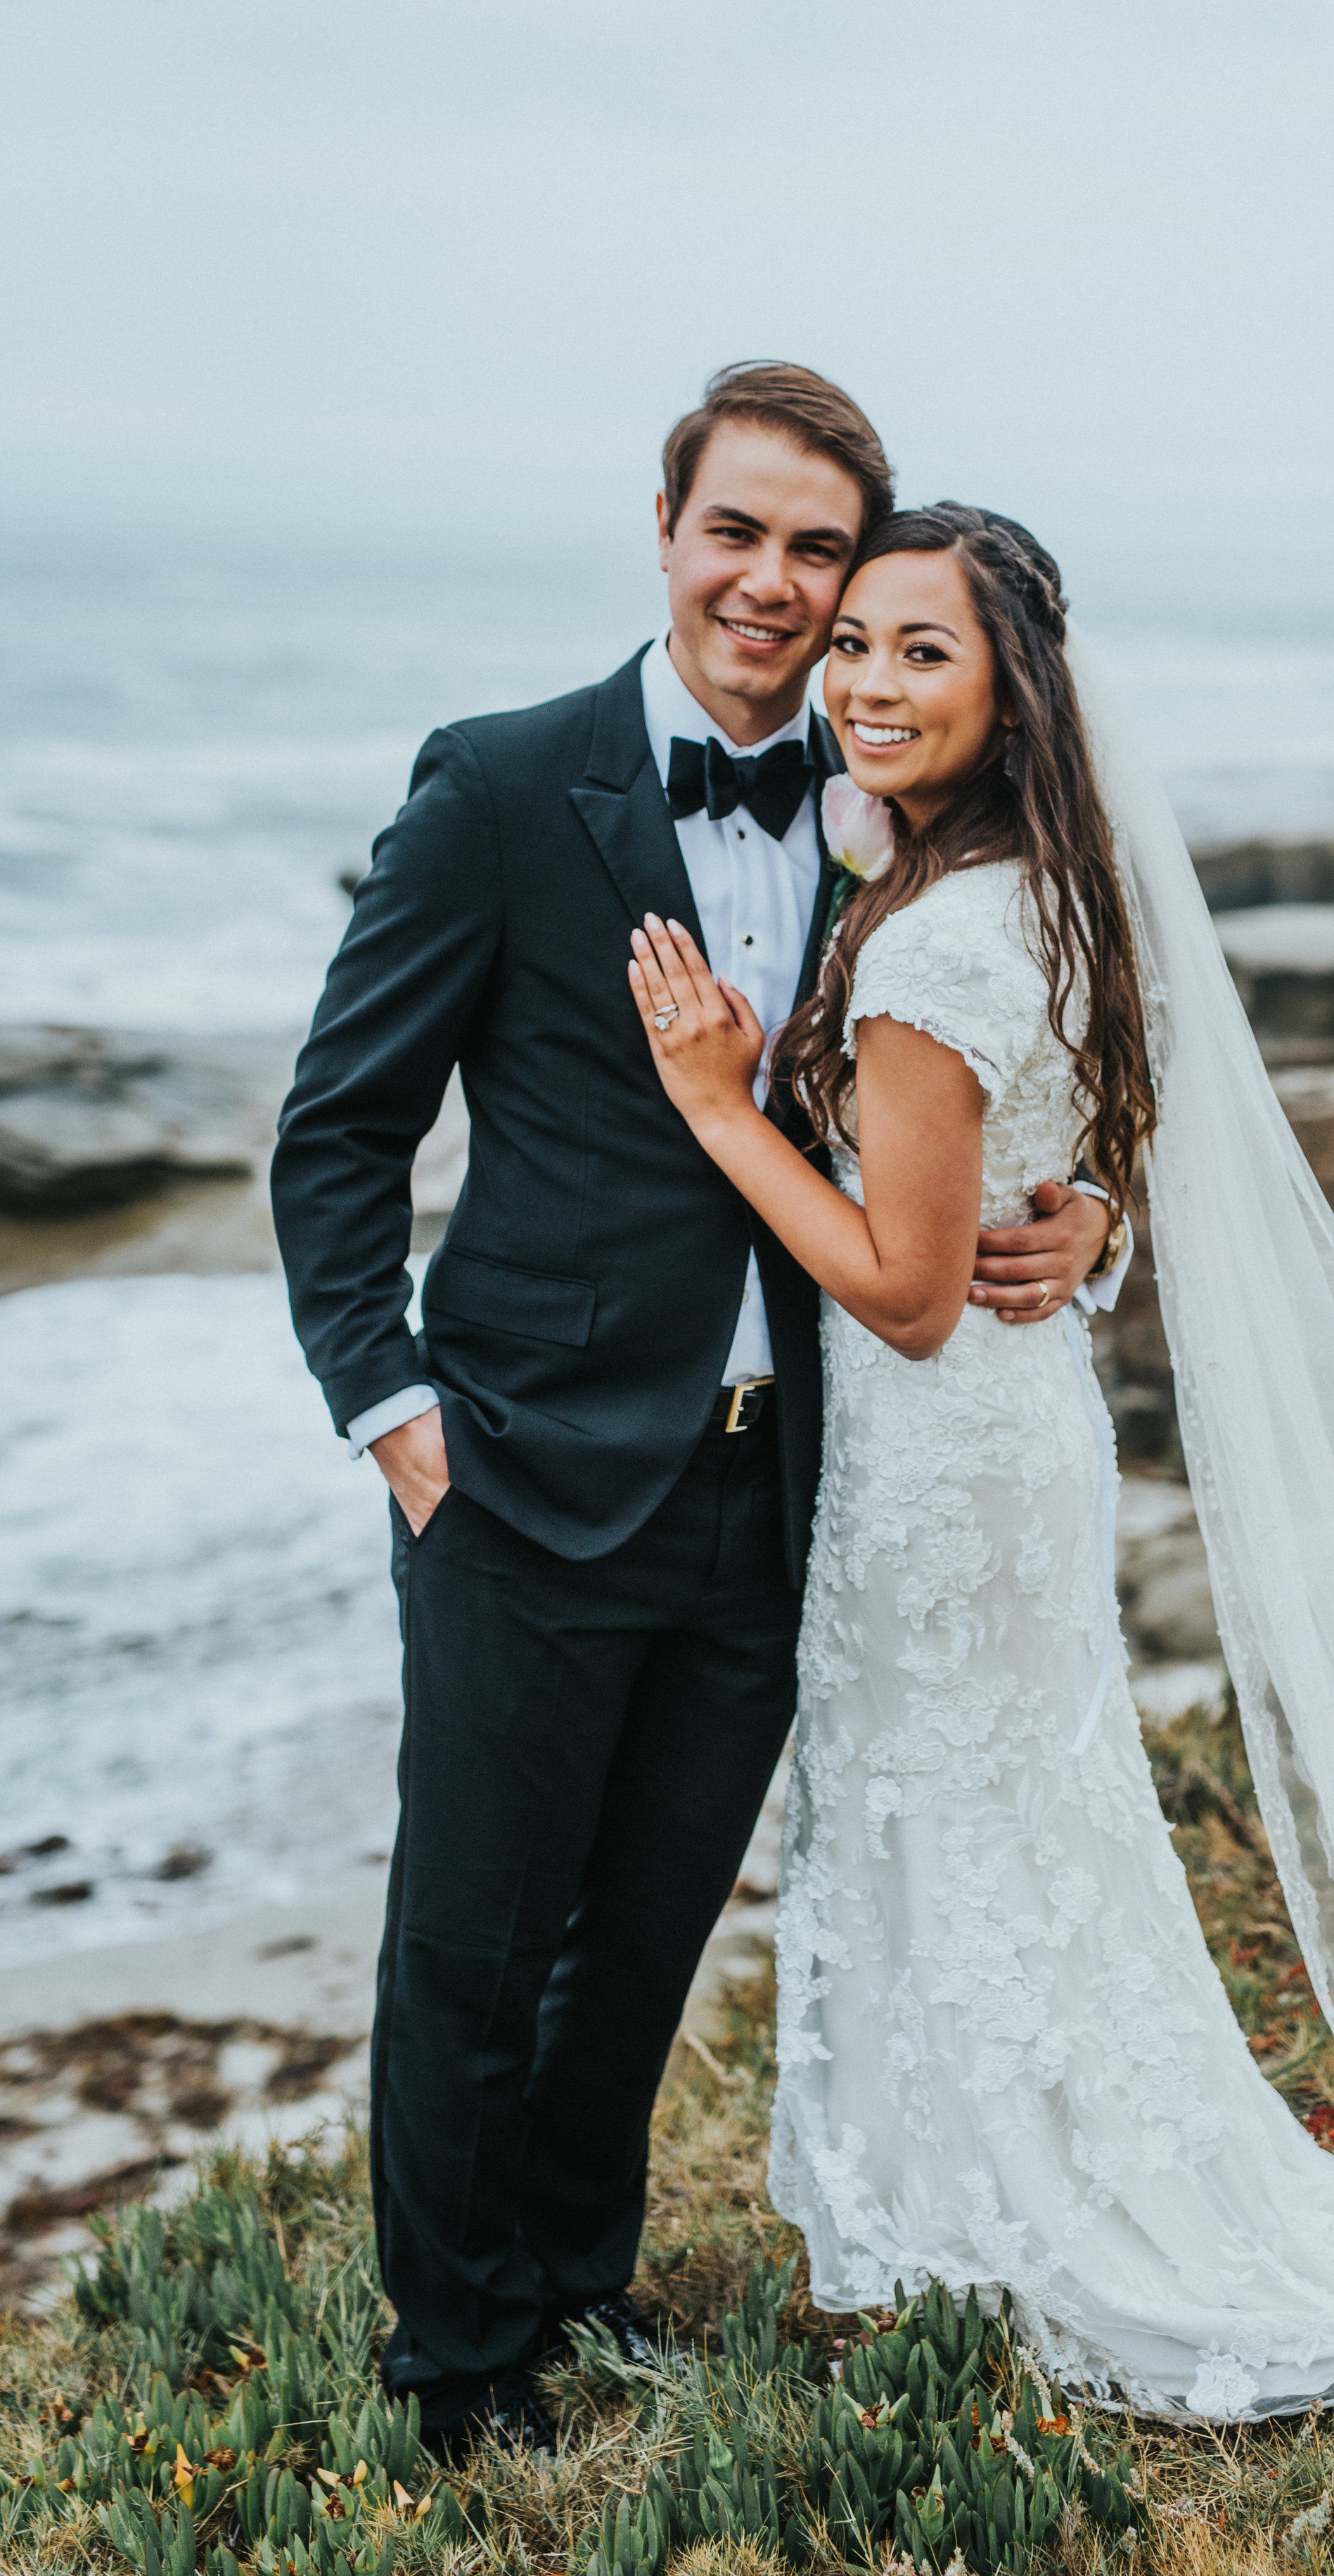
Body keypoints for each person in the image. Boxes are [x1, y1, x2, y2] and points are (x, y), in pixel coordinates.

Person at [631, 501, 1334, 2468]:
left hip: (935, 1447)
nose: (870, 687)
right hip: (1016, 1429)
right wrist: (1075, 1219)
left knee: (945, 1815)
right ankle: (995, 2191)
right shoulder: (1039, 889)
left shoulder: (939, 942)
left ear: (1010, 692)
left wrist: (725, 1108)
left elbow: (897, 1294)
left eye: (922, 654)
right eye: (856, 648)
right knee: (1016, 1824)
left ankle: (993, 2217)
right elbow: (1062, 1164)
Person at [269, 371, 1122, 2459]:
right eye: (734, 531)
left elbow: (1017, 1063)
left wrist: (1081, 1211)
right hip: (523, 1473)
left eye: (817, 551)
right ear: (664, 529)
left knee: (641, 1937)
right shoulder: (495, 786)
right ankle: (456, 2367)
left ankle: (574, 2280)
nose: (771, 583)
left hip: (785, 1490)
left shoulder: (891, 818)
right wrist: (387, 1404)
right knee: (472, 1942)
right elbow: (339, 1130)